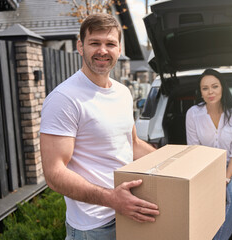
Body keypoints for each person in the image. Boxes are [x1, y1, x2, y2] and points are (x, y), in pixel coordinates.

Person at [40, 13, 159, 240]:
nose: (103, 50)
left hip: (129, 213)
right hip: (93, 227)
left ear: (119, 49)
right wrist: (112, 199)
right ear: (80, 46)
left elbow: (132, 144)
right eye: (95, 43)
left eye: (110, 44)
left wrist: (171, 163)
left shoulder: (123, 92)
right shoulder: (64, 98)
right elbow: (54, 173)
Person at [185, 69, 232, 239]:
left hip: (230, 166)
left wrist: (225, 178)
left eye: (214, 86)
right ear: (201, 92)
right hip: (203, 167)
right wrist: (209, 178)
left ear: (222, 88)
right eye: (205, 88)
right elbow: (194, 149)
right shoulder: (193, 114)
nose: (210, 92)